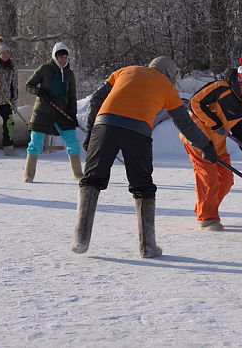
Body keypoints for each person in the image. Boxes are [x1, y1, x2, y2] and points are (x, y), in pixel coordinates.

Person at [71, 56, 217, 258]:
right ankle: (147, 246)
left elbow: (96, 98)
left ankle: (81, 238)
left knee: (92, 179)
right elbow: (185, 124)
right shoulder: (167, 87)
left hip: (105, 126)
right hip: (138, 132)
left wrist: (90, 132)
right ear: (170, 75)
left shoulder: (125, 70)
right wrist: (206, 146)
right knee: (143, 187)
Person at [179, 57, 242, 232]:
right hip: (198, 140)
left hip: (218, 144)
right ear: (240, 82)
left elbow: (240, 127)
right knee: (209, 178)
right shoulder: (220, 88)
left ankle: (204, 207)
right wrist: (214, 122)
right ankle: (207, 218)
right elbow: (195, 103)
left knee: (226, 180)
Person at [23, 42, 82, 183]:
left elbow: (72, 96)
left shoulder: (69, 74)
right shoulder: (45, 69)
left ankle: (78, 173)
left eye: (65, 57)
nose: (63, 60)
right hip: (43, 110)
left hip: (62, 111)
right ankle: (28, 174)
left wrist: (73, 115)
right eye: (60, 57)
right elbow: (28, 86)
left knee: (73, 142)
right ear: (55, 56)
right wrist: (40, 92)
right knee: (35, 143)